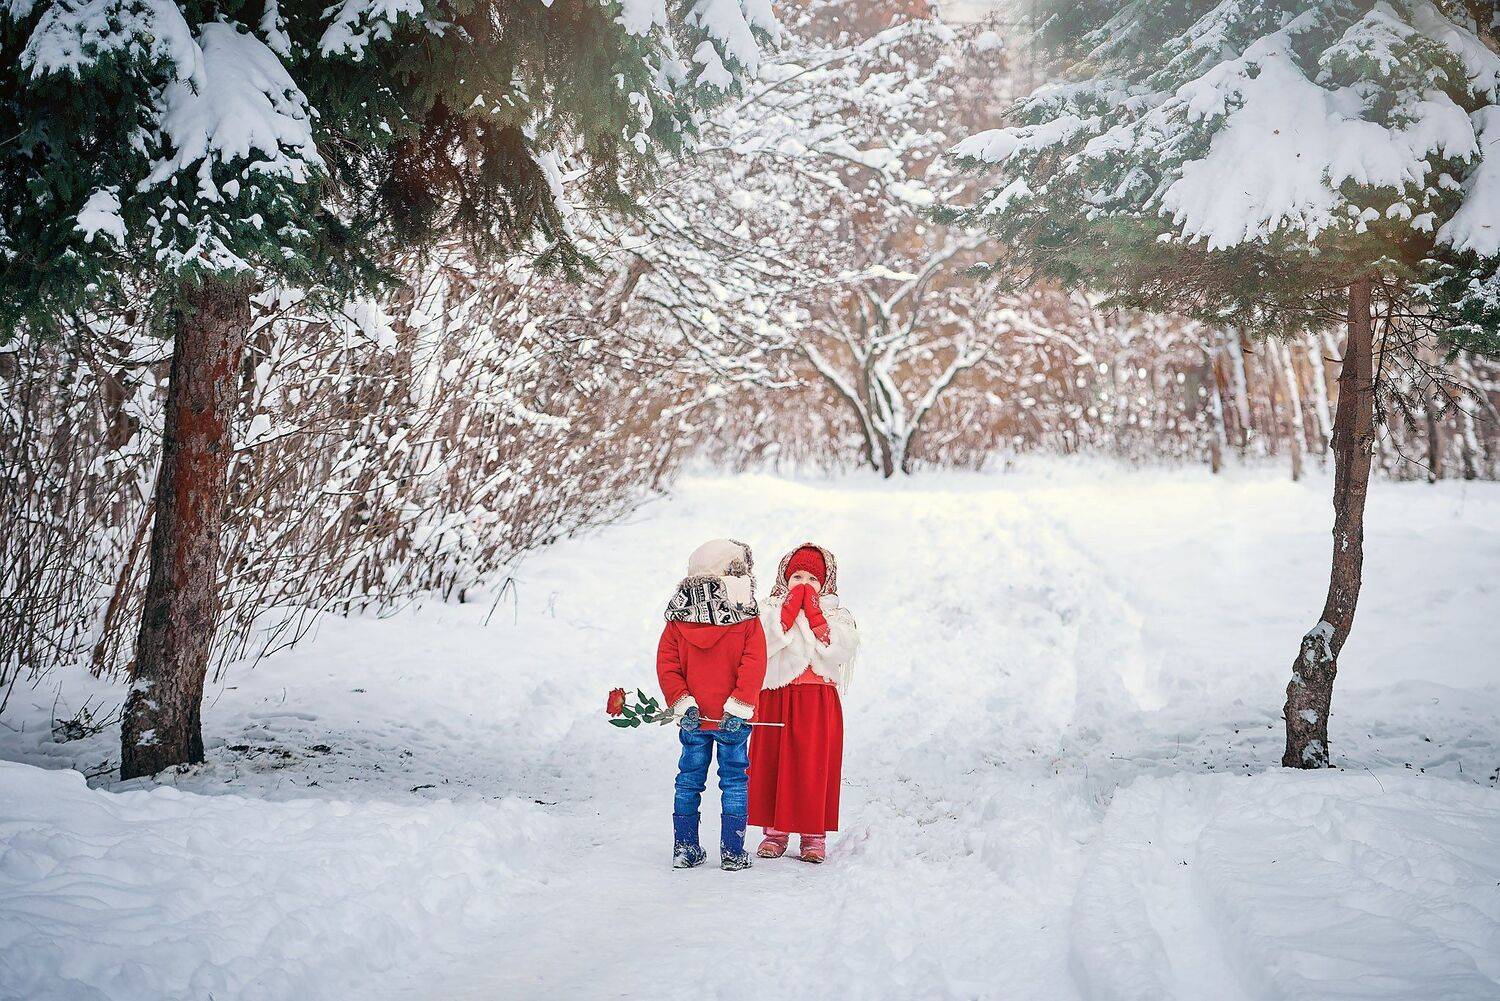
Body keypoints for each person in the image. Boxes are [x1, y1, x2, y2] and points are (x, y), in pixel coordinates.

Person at [656, 538, 768, 870]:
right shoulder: (746, 617)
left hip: (695, 720)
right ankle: (733, 852)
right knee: (734, 779)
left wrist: (682, 703)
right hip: (732, 720)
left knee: (688, 778)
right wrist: (739, 705)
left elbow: (668, 664)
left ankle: (685, 848)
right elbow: (754, 663)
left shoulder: (677, 618)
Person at [748, 543, 859, 863]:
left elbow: (840, 648)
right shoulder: (768, 608)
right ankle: (775, 831)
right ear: (784, 577)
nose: (804, 583)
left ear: (824, 584)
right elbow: (760, 644)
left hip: (816, 698)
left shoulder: (837, 615)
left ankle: (813, 835)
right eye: (796, 576)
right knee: (774, 761)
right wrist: (786, 614)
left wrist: (813, 614)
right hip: (777, 695)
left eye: (812, 578)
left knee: (812, 764)